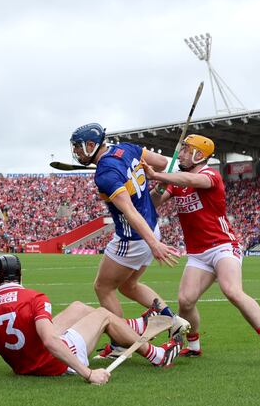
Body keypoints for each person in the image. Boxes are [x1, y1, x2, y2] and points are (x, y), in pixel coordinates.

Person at [144, 134, 260, 367]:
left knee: (231, 290)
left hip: (223, 246)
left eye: (185, 150)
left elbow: (193, 181)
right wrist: (159, 184)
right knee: (185, 300)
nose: (179, 154)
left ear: (198, 155)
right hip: (198, 253)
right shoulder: (176, 181)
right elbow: (153, 203)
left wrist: (160, 174)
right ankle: (193, 346)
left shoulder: (210, 174)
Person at [0, 255, 183, 384]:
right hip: (57, 363)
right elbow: (49, 341)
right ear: (19, 276)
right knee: (103, 314)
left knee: (78, 307)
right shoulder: (33, 297)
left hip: (27, 362)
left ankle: (133, 326)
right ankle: (157, 356)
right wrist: (88, 373)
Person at [68, 123, 188, 359]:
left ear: (91, 145)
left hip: (133, 237)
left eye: (79, 149)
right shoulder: (127, 148)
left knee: (103, 287)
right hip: (152, 227)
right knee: (128, 286)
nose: (77, 154)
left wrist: (154, 245)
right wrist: (159, 180)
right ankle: (173, 321)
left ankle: (121, 342)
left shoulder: (105, 173)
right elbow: (164, 163)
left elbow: (129, 211)